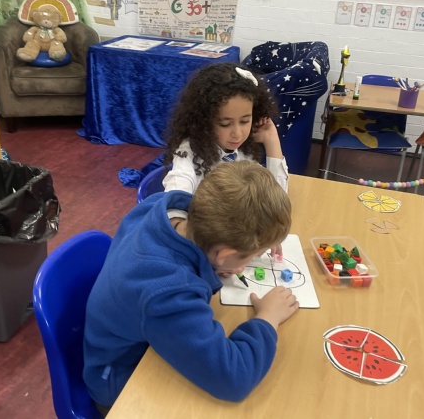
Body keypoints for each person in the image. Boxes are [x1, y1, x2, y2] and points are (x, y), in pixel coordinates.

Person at [83, 161, 299, 414]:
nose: (248, 263)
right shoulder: (167, 293)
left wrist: (210, 267)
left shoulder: (162, 207)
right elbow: (234, 378)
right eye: (252, 256)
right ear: (224, 254)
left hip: (140, 336)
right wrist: (268, 318)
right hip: (120, 384)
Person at [162, 62, 289, 194]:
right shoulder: (189, 152)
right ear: (204, 121)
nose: (237, 134)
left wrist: (271, 140)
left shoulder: (245, 151)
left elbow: (276, 197)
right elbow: (176, 193)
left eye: (245, 121)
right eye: (225, 124)